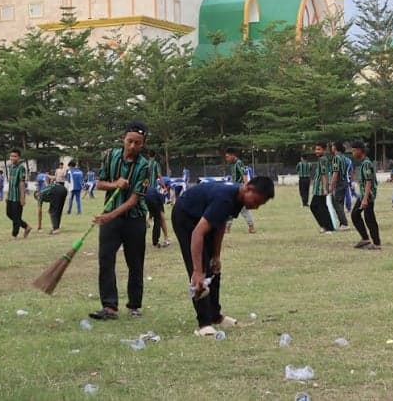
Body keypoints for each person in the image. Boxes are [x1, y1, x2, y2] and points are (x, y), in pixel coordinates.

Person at [171, 176, 275, 337]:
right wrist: (197, 270)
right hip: (185, 216)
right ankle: (204, 323)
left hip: (202, 216)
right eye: (256, 202)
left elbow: (219, 224)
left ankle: (215, 316)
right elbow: (197, 232)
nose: (256, 207)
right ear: (249, 189)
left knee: (213, 267)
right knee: (201, 269)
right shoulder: (225, 198)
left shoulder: (237, 199)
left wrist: (216, 255)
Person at [89, 121, 151, 321]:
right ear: (123, 139)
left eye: (137, 143)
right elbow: (99, 184)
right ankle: (109, 307)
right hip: (110, 219)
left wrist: (110, 215)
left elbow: (134, 200)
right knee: (105, 260)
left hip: (134, 220)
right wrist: (115, 184)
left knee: (135, 263)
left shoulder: (144, 166)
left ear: (143, 144)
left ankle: (134, 305)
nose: (132, 146)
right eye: (130, 141)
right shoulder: (110, 156)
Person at [350, 141, 381, 250]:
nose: (352, 153)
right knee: (355, 214)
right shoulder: (363, 163)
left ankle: (377, 243)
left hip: (367, 195)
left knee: (369, 218)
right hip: (363, 194)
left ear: (359, 150)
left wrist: (365, 199)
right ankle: (365, 239)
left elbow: (369, 181)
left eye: (353, 151)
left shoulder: (367, 163)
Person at [225, 148, 256, 234]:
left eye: (227, 157)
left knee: (243, 209)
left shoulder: (238, 163)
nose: (226, 159)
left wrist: (246, 187)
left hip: (240, 189)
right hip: (234, 188)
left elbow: (244, 174)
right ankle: (228, 228)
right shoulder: (232, 164)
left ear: (232, 155)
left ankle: (251, 227)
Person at [6, 148, 31, 240]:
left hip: (17, 196)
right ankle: (26, 226)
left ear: (19, 157)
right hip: (10, 196)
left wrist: (22, 197)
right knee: (9, 214)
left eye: (15, 156)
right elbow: (10, 181)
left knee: (16, 216)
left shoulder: (21, 167)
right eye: (11, 156)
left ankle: (14, 235)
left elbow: (21, 183)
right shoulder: (11, 167)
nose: (12, 158)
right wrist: (7, 194)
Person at [309, 142, 334, 233]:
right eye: (316, 149)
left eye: (319, 149)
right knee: (320, 206)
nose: (317, 151)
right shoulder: (321, 159)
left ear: (324, 150)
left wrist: (324, 188)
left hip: (320, 188)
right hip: (317, 187)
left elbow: (324, 174)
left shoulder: (323, 159)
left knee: (315, 206)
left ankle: (326, 226)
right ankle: (327, 226)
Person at [329, 142, 350, 230]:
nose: (331, 147)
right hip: (345, 181)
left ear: (336, 148)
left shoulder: (336, 158)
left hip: (339, 183)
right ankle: (342, 223)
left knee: (336, 203)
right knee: (340, 203)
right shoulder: (345, 158)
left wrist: (331, 185)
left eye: (333, 146)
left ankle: (344, 223)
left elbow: (335, 173)